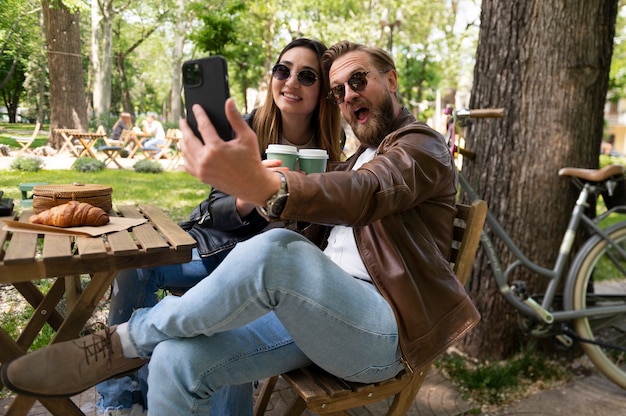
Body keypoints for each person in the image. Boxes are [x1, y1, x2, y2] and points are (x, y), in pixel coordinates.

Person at [1, 41, 481, 416]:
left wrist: (271, 184)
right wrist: (256, 196)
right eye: (339, 90)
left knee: (277, 251)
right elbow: (331, 208)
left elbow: (367, 193)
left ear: (391, 80)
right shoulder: (357, 155)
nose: (348, 95)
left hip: (380, 335)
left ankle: (127, 340)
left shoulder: (421, 148)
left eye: (358, 80)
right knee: (176, 362)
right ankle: (142, 350)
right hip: (317, 317)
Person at [95, 37, 344, 416]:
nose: (291, 81)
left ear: (322, 90)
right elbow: (216, 206)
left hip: (275, 275)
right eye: (283, 70)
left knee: (238, 323)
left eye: (307, 75)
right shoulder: (246, 128)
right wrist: (254, 195)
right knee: (135, 264)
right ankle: (120, 399)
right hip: (218, 252)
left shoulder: (329, 146)